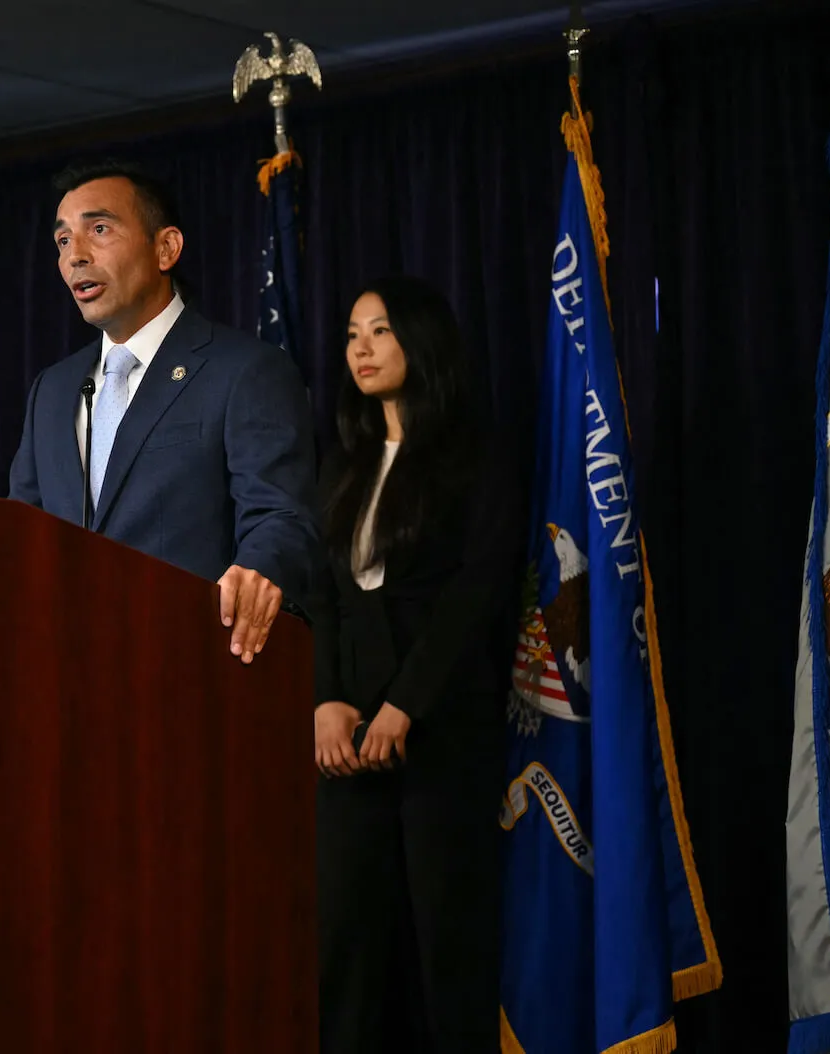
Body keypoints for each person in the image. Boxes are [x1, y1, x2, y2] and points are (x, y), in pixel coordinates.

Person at [311, 276, 524, 1054]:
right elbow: (324, 595)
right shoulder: (341, 463)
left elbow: (475, 594)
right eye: (351, 334)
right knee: (344, 945)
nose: (360, 349)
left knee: (446, 948)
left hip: (438, 736)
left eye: (379, 332)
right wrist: (325, 701)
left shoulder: (476, 459)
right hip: (345, 745)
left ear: (421, 342)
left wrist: (406, 705)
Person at [8, 160, 318, 662]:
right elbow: (22, 535)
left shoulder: (243, 370)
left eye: (99, 229)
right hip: (65, 673)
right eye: (63, 241)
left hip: (192, 666)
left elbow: (279, 515)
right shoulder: (52, 389)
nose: (75, 257)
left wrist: (260, 570)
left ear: (166, 247)